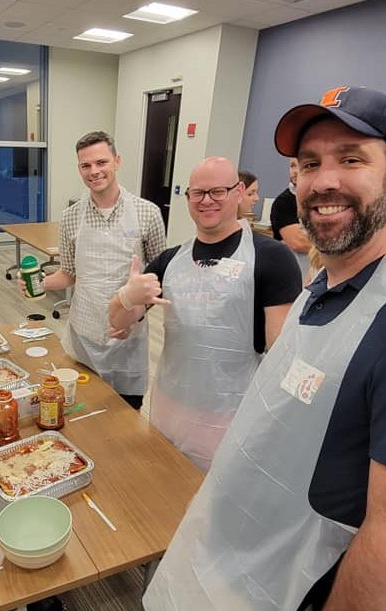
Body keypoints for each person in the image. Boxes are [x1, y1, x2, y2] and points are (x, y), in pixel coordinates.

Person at [143, 86, 386, 611]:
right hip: (248, 557)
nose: (324, 180)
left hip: (298, 599)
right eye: (310, 164)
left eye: (351, 158)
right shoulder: (324, 288)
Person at [109, 157, 301, 470]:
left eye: (217, 191)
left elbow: (282, 355)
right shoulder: (171, 261)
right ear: (188, 199)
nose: (206, 200)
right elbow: (116, 322)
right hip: (168, 408)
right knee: (163, 492)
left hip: (228, 416)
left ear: (238, 192)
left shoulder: (272, 258)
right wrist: (127, 297)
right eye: (198, 193)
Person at [31, 130, 166, 410]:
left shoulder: (148, 213)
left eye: (101, 162)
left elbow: (157, 281)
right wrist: (40, 283)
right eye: (86, 165)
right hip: (84, 337)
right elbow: (69, 273)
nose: (94, 171)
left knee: (123, 421)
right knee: (81, 417)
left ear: (117, 161)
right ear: (79, 169)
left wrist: (133, 318)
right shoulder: (70, 218)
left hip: (127, 338)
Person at [270, 157, 312, 274]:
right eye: (292, 165)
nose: (295, 171)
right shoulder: (284, 202)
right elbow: (298, 242)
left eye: (302, 165)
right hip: (293, 273)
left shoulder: (318, 200)